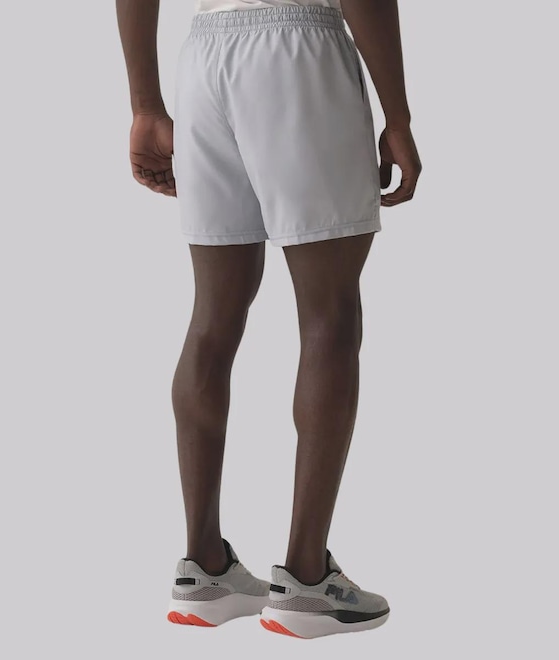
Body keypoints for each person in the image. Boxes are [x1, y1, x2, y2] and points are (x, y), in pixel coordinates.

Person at [116, 0, 421, 639]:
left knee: (213, 316)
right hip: (298, 50)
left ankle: (206, 570)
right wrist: (398, 115)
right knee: (330, 317)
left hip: (204, 58)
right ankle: (306, 581)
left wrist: (145, 105)